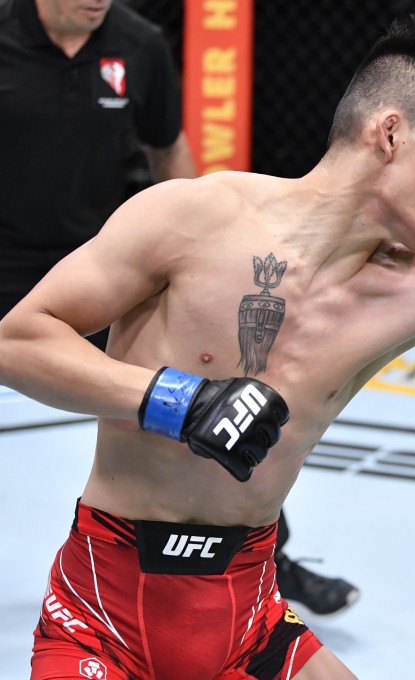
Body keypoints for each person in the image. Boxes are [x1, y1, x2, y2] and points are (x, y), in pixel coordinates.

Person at [0, 0, 358, 616]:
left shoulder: (137, 44)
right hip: (4, 260)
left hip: (102, 270)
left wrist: (204, 254)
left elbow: (172, 158)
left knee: (218, 408)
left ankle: (268, 561)